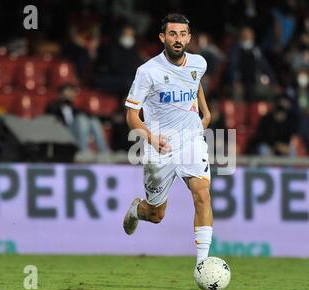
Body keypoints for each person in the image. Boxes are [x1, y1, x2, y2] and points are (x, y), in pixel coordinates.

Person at [122, 13, 214, 266]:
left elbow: (195, 83)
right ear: (163, 37)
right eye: (173, 34)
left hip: (192, 140)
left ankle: (203, 265)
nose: (178, 39)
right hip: (159, 147)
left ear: (189, 38)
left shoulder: (199, 63)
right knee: (156, 215)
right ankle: (138, 209)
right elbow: (132, 115)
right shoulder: (147, 71)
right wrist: (150, 138)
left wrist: (206, 113)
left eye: (183, 34)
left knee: (202, 193)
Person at [45, 83, 110, 161]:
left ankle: (104, 151)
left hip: (74, 130)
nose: (72, 94)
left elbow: (88, 115)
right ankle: (83, 151)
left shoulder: (73, 108)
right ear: (61, 94)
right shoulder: (53, 105)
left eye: (72, 92)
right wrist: (62, 103)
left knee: (93, 120)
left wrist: (107, 119)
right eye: (69, 91)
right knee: (82, 119)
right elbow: (51, 119)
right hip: (61, 131)